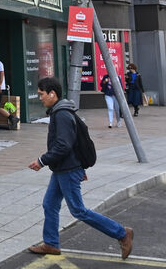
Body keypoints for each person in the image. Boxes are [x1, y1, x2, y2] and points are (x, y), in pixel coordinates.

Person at [27, 76, 134, 259]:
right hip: (64, 168)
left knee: (78, 210)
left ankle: (122, 233)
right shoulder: (61, 111)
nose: (40, 97)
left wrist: (42, 160)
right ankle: (51, 243)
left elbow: (63, 145)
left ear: (53, 94)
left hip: (67, 170)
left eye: (42, 94)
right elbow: (74, 143)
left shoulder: (61, 114)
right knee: (50, 204)